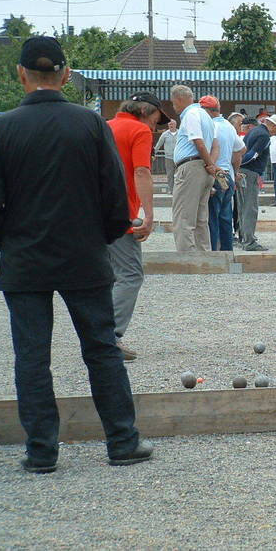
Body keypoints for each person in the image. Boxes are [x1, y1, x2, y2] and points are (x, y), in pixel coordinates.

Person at [0, 36, 152, 472]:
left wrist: (6, 240)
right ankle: (122, 442)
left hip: (24, 257)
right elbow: (114, 192)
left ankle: (41, 451)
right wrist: (104, 234)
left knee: (32, 355)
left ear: (20, 74)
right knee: (101, 349)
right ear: (64, 74)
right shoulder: (89, 123)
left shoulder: (0, 127)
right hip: (83, 254)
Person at [107, 92, 168, 361]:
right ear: (145, 111)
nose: (156, 126)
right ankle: (108, 339)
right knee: (130, 275)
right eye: (156, 118)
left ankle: (99, 335)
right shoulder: (140, 131)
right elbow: (141, 171)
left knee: (108, 275)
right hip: (121, 213)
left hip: (93, 212)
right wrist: (150, 214)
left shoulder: (105, 126)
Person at [170, 84, 219, 252]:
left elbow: (198, 142)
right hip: (204, 168)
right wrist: (210, 165)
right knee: (200, 218)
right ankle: (204, 255)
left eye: (173, 102)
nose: (173, 106)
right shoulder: (205, 115)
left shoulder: (190, 114)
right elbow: (215, 145)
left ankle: (187, 257)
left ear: (178, 99)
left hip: (191, 167)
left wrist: (209, 164)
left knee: (183, 216)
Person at [202, 96, 245, 251]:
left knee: (211, 217)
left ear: (207, 111)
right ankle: (227, 251)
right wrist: (234, 168)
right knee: (225, 217)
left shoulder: (209, 126)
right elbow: (241, 149)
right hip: (227, 175)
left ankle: (213, 252)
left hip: (214, 174)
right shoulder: (228, 126)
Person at [237, 116, 270, 251]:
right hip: (250, 173)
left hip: (242, 171)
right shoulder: (263, 135)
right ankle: (249, 242)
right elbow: (252, 155)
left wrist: (236, 167)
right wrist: (239, 164)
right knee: (250, 207)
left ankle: (243, 237)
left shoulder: (251, 133)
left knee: (242, 206)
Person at [154, 119, 178, 192]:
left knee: (178, 175)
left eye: (172, 124)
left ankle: (177, 190)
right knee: (170, 174)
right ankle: (171, 189)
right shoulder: (165, 134)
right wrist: (153, 153)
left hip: (178, 158)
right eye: (169, 124)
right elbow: (159, 144)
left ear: (175, 125)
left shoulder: (180, 133)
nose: (171, 126)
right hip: (168, 157)